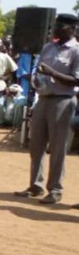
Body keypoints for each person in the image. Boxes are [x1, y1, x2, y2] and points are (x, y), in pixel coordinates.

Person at [14, 14, 79, 204]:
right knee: (36, 145)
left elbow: (76, 80)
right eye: (56, 24)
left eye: (61, 25)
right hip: (42, 99)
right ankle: (36, 186)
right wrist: (35, 79)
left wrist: (52, 73)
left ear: (72, 28)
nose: (56, 28)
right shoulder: (48, 47)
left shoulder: (75, 51)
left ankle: (55, 190)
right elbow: (38, 70)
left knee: (57, 148)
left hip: (63, 101)